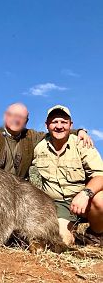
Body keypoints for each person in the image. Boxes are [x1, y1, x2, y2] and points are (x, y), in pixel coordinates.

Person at [33, 105, 103, 246]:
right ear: (47, 125)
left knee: (100, 200)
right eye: (54, 122)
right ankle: (72, 234)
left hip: (85, 200)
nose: (59, 126)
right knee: (61, 241)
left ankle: (96, 235)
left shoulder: (83, 143)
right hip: (59, 205)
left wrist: (85, 194)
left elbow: (100, 175)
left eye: (64, 122)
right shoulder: (38, 147)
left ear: (71, 125)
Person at [0, 103, 92, 179]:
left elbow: (55, 132)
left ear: (26, 121)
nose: (16, 119)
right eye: (12, 115)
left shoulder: (31, 136)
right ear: (6, 116)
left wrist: (79, 131)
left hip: (21, 191)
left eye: (20, 117)